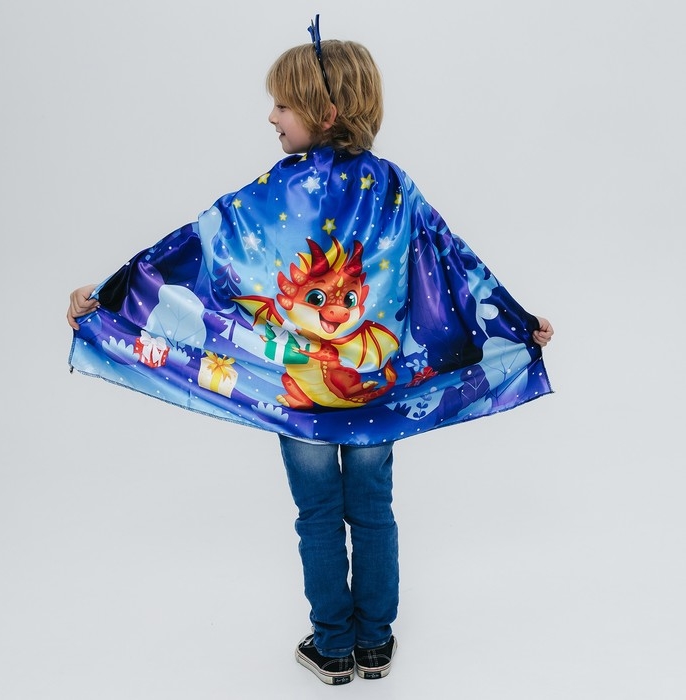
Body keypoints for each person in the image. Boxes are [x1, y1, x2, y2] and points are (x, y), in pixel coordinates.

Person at [67, 15, 554, 686]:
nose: (272, 117)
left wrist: (111, 294)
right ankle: (375, 643)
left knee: (318, 514)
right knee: (373, 510)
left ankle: (333, 647)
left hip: (297, 399)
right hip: (378, 394)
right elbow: (452, 261)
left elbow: (193, 247)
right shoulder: (394, 186)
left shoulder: (273, 192)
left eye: (283, 105)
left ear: (324, 113)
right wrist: (514, 320)